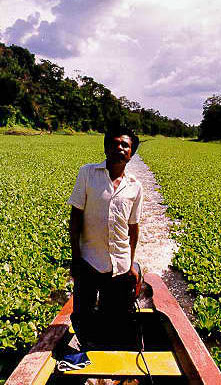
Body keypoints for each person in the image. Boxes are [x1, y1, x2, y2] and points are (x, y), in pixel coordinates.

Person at [67, 126, 143, 349]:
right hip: (89, 260)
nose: (119, 147)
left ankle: (108, 349)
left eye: (125, 145)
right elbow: (75, 218)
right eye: (115, 143)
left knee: (115, 315)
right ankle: (84, 347)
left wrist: (131, 263)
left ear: (131, 153)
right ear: (106, 147)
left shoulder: (135, 187)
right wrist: (76, 257)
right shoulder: (87, 173)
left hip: (119, 264)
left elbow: (133, 228)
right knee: (82, 313)